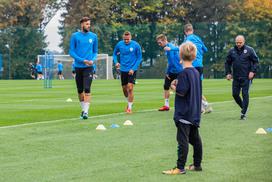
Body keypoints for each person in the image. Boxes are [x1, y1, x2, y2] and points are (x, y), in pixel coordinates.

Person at [163, 41, 203, 175]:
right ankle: (197, 165)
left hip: (184, 113)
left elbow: (181, 92)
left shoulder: (184, 73)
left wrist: (173, 85)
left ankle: (180, 167)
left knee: (183, 141)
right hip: (194, 111)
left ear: (180, 55)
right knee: (195, 139)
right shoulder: (196, 72)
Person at [69, 17, 98, 120]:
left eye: (89, 24)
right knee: (80, 90)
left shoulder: (94, 36)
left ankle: (86, 112)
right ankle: (83, 109)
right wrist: (82, 60)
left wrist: (92, 60)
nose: (88, 26)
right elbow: (71, 52)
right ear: (81, 24)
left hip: (89, 67)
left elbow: (95, 52)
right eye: (86, 24)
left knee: (87, 89)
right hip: (78, 66)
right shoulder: (75, 36)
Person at [225, 35, 259, 120]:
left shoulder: (250, 50)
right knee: (235, 94)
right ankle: (244, 108)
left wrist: (253, 71)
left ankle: (243, 113)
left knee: (245, 94)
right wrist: (228, 73)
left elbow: (256, 62)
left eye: (240, 42)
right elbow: (227, 63)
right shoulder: (231, 51)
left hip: (246, 77)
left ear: (244, 42)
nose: (238, 44)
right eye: (237, 42)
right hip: (236, 77)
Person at [113, 31, 142, 114]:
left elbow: (139, 57)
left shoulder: (136, 45)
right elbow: (114, 54)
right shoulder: (119, 44)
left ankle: (129, 108)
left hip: (132, 70)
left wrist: (133, 68)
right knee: (124, 90)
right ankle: (129, 102)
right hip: (123, 70)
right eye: (124, 39)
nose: (126, 41)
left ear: (131, 37)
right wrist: (116, 62)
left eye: (127, 39)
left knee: (130, 87)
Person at [156, 34, 183, 111]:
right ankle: (166, 106)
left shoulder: (169, 47)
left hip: (176, 70)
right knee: (166, 86)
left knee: (177, 87)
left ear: (164, 40)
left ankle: (185, 101)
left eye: (160, 42)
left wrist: (167, 72)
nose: (159, 44)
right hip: (174, 70)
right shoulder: (169, 46)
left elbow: (171, 61)